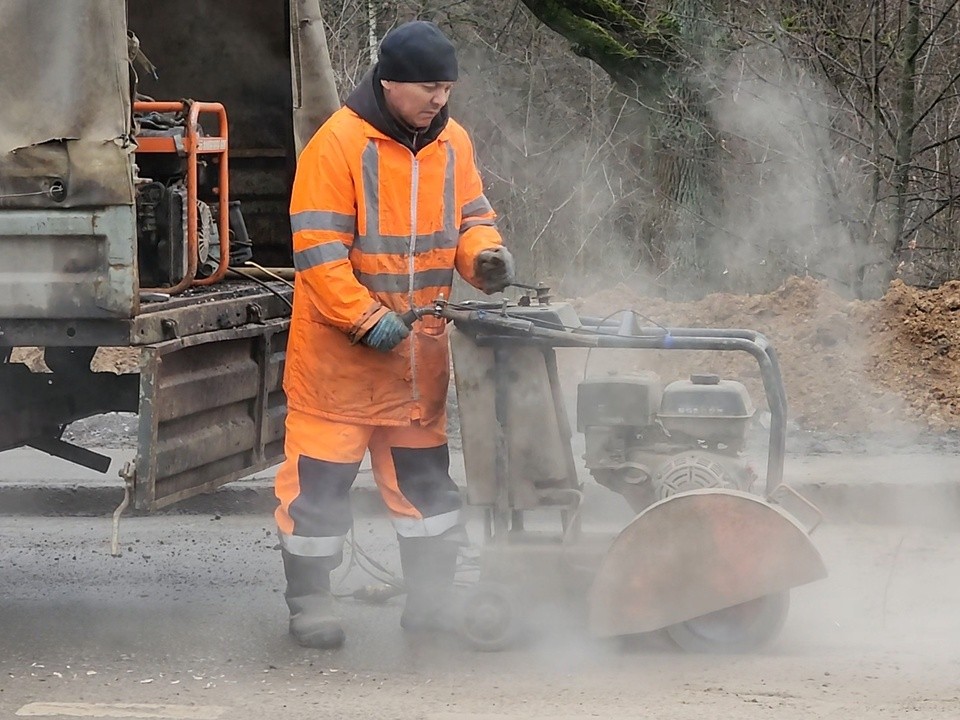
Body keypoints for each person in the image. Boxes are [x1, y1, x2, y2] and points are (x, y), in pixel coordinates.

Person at [275, 20, 514, 649]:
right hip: (340, 364)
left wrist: (484, 256)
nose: (441, 100)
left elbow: (472, 218)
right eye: (431, 87)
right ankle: (310, 604)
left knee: (429, 492)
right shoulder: (337, 145)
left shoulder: (453, 143)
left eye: (448, 89)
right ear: (393, 82)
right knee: (317, 497)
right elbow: (319, 254)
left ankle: (431, 604)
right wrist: (364, 319)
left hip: (416, 360)